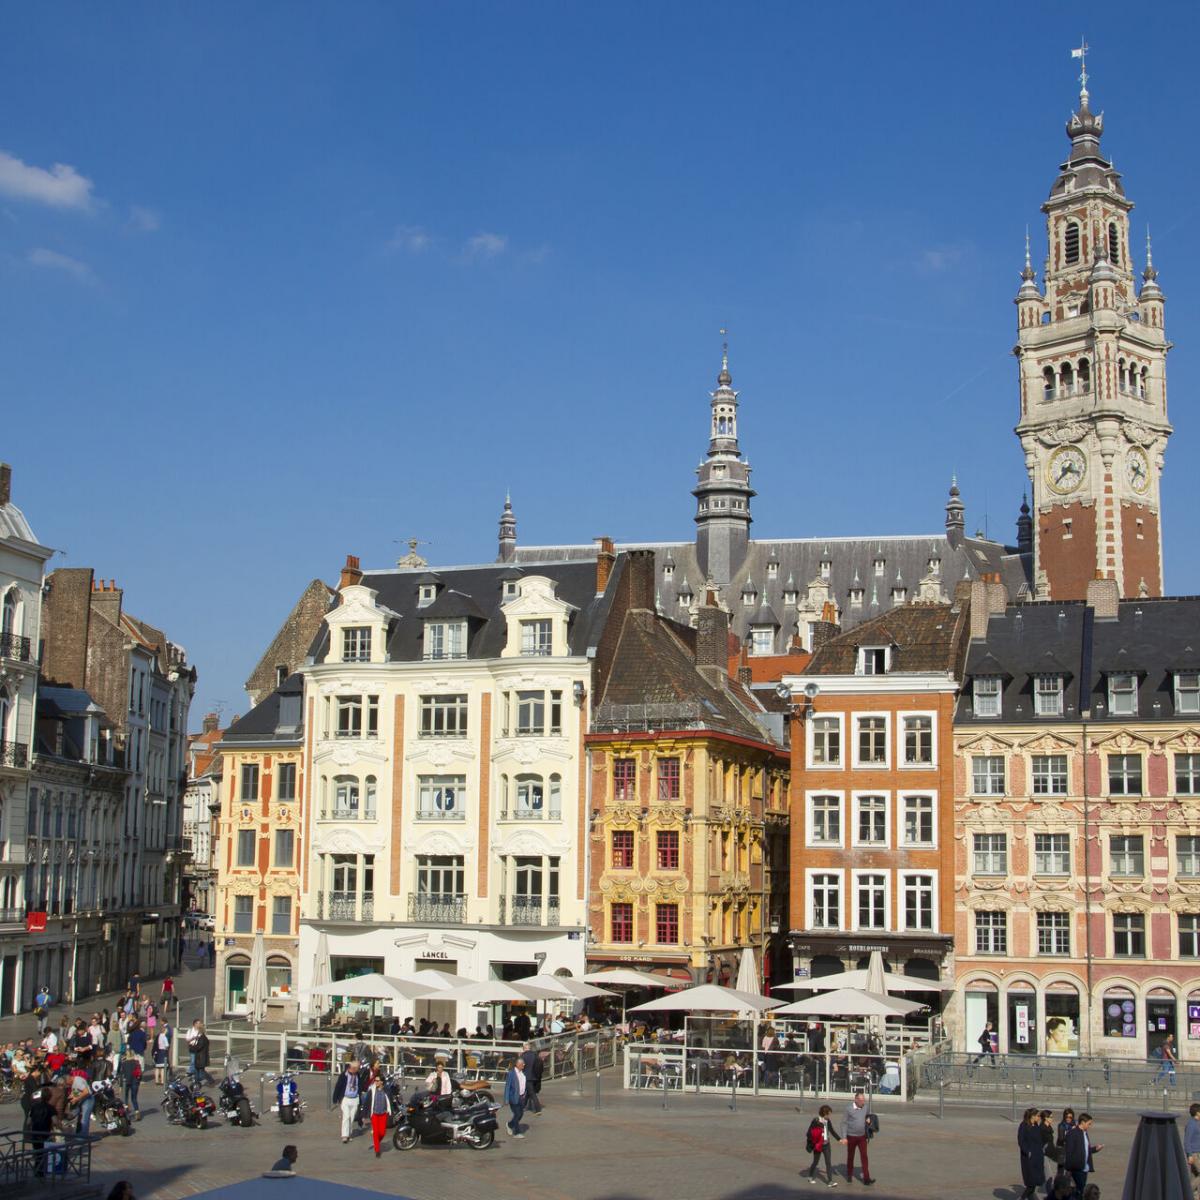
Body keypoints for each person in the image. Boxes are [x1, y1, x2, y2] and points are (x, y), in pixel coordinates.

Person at [806, 1103, 846, 1187]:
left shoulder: (828, 1121)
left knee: (828, 1162)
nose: (829, 1116)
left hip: (826, 1144)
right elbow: (809, 1133)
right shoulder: (816, 1121)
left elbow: (832, 1131)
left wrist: (840, 1139)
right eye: (829, 1114)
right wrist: (814, 1140)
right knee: (815, 1162)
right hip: (818, 1145)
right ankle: (810, 1176)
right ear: (824, 1113)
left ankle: (830, 1181)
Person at [1064, 1112, 1102, 1196]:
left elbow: (1085, 1150)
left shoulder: (1084, 1133)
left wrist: (1095, 1149)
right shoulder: (1072, 1134)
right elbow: (1069, 1152)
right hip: (1076, 1168)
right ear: (1082, 1122)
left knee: (1081, 1191)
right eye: (1089, 1124)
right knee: (1081, 1191)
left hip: (1084, 1168)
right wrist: (1068, 1169)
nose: (1090, 1126)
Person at [843, 1091, 875, 1186]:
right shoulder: (848, 1109)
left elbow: (868, 1116)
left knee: (864, 1156)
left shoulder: (865, 1108)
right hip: (851, 1136)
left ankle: (866, 1178)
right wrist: (844, 1137)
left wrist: (869, 1120)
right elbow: (844, 1123)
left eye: (864, 1100)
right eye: (861, 1100)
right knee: (850, 1156)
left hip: (862, 1137)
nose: (863, 1102)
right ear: (856, 1100)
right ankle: (849, 1174)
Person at [1018, 1106, 1046, 1200]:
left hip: (1038, 1156)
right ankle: (1023, 1197)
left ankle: (1029, 1197)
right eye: (1037, 1116)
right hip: (1029, 1158)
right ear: (1032, 1116)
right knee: (1031, 1183)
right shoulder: (1024, 1125)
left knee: (1035, 1181)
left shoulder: (1036, 1125)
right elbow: (1021, 1141)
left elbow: (1039, 1139)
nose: (1039, 1118)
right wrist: (1027, 1151)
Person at [331, 1060, 362, 1144]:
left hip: (355, 1098)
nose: (359, 1069)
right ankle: (344, 1135)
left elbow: (360, 1086)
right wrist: (335, 1099)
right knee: (346, 1116)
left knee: (351, 1118)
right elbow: (338, 1086)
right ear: (353, 1068)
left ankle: (349, 1134)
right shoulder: (344, 1075)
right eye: (358, 1068)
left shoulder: (358, 1075)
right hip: (345, 1098)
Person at [28, 1089, 56, 1178]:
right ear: (49, 1097)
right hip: (45, 1133)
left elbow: (28, 1122)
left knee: (37, 1152)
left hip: (35, 1132)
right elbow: (55, 1121)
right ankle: (40, 1172)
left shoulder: (34, 1106)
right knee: (43, 1153)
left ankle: (37, 1170)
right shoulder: (51, 1107)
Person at [366, 1073, 390, 1158]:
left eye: (377, 1080)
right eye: (375, 1080)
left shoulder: (386, 1090)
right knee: (376, 1132)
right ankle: (377, 1150)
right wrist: (364, 1114)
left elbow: (389, 1101)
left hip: (383, 1114)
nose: (375, 1082)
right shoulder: (372, 1090)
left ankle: (376, 1142)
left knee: (382, 1132)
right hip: (375, 1114)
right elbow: (367, 1102)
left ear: (382, 1082)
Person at [504, 1056, 527, 1139]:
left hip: (522, 1097)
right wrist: (506, 1099)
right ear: (517, 1064)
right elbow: (507, 1086)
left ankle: (509, 1125)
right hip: (513, 1097)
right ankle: (516, 1133)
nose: (524, 1065)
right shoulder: (511, 1073)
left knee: (520, 1114)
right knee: (517, 1114)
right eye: (522, 1064)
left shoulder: (523, 1073)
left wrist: (525, 1094)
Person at [118, 1048, 142, 1121]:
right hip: (135, 1082)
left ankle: (126, 1114)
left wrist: (120, 1086)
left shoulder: (124, 1063)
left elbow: (121, 1075)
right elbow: (140, 1074)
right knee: (134, 1098)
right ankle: (137, 1112)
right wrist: (138, 1081)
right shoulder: (136, 1062)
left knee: (125, 1098)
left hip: (126, 1081)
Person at [519, 1042, 544, 1114]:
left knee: (532, 1093)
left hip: (527, 1077)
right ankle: (522, 1106)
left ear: (524, 1048)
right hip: (535, 1077)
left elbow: (519, 1068)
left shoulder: (523, 1056)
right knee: (528, 1092)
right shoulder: (535, 1055)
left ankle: (538, 1109)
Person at [1185, 1102, 1200, 1195]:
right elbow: (1187, 1141)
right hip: (1194, 1154)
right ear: (1198, 1112)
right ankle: (1187, 1192)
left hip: (1197, 1153)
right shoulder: (1191, 1124)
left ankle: (1195, 1195)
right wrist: (1189, 1155)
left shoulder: (1196, 1123)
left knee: (1195, 1175)